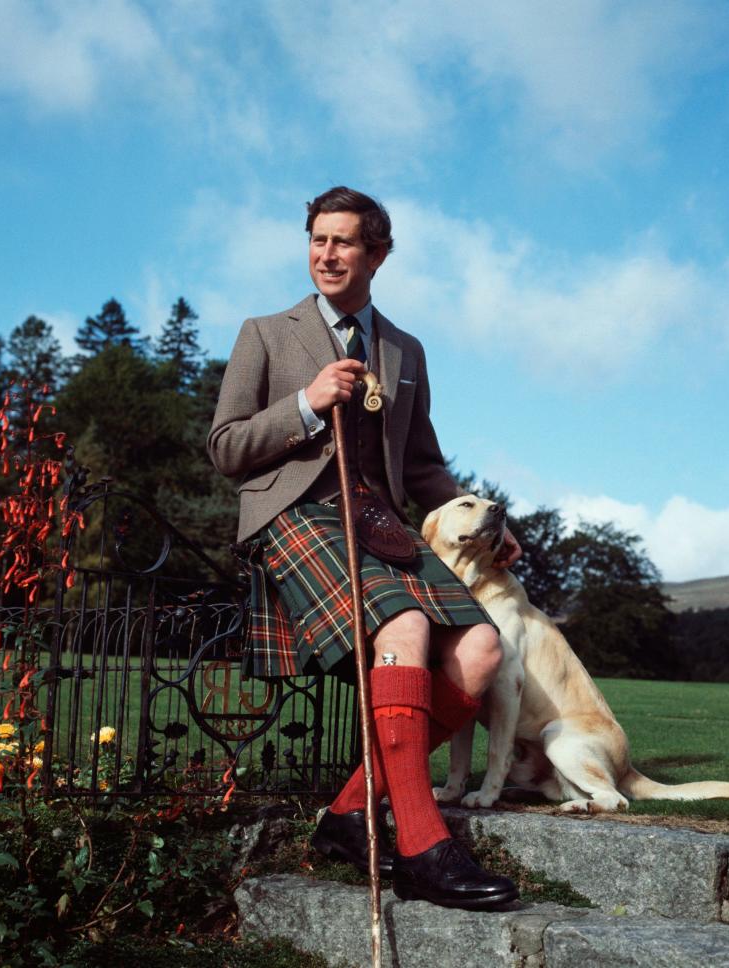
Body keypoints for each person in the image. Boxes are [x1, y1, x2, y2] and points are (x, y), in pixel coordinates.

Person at [208, 186, 521, 910]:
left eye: (344, 241)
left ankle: (350, 815)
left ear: (377, 254)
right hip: (294, 515)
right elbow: (224, 448)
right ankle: (423, 847)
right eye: (318, 239)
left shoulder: (404, 351)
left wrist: (491, 521)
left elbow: (422, 468)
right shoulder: (265, 332)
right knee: (405, 627)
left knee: (481, 651)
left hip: (379, 522)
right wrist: (305, 405)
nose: (327, 253)